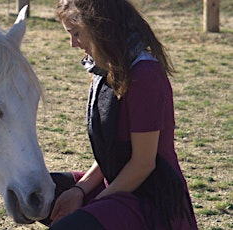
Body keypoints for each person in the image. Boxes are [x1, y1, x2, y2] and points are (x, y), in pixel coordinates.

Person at [40, 0, 199, 229]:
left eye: (76, 33)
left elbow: (143, 164)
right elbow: (114, 153)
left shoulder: (144, 75)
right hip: (118, 185)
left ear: (99, 28)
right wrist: (79, 190)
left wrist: (92, 206)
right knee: (36, 194)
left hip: (149, 199)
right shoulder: (106, 67)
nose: (73, 44)